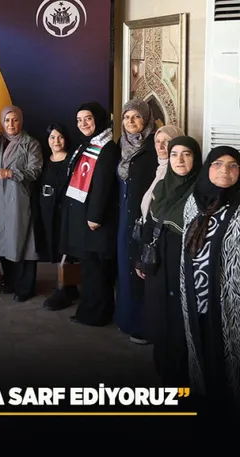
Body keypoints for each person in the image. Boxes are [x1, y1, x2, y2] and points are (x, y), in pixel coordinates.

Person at [137, 136, 201, 386]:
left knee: (180, 319)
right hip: (158, 261)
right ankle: (163, 369)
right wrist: (142, 259)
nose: (179, 160)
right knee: (159, 312)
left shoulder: (201, 191)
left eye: (186, 154)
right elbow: (150, 223)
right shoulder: (162, 186)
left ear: (196, 158)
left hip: (184, 263)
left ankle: (182, 377)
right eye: (174, 154)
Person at [180, 145, 240, 415]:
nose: (225, 170)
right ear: (207, 168)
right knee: (201, 344)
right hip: (196, 293)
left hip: (229, 298)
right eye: (218, 164)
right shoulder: (194, 202)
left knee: (228, 350)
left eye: (233, 165)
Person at [64, 102, 120, 327]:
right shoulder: (88, 144)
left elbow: (103, 185)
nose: (83, 124)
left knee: (98, 271)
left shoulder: (107, 148)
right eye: (79, 120)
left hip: (97, 222)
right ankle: (89, 312)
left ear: (98, 119)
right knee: (89, 270)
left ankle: (97, 315)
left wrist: (95, 216)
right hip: (85, 218)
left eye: (88, 118)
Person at [115, 99, 158, 345]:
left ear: (146, 118)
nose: (130, 121)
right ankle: (125, 319)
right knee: (125, 266)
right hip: (124, 214)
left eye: (136, 117)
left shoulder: (155, 146)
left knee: (142, 269)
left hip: (144, 217)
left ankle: (143, 325)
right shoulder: (120, 144)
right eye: (126, 117)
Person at [0, 105, 43, 302]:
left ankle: (25, 287)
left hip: (19, 198)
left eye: (15, 120)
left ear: (21, 121)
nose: (11, 124)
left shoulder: (31, 143)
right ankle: (10, 281)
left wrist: (12, 173)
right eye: (7, 120)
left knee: (24, 241)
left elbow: (35, 171)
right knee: (5, 241)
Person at [35, 123, 80, 310]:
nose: (56, 141)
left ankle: (65, 290)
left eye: (60, 137)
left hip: (67, 214)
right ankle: (68, 286)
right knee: (55, 249)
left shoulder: (73, 161)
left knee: (66, 251)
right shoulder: (45, 161)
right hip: (48, 214)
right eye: (52, 137)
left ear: (66, 139)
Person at [139, 125, 185, 223]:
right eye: (158, 141)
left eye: (166, 141)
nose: (160, 146)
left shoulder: (179, 172)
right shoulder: (160, 169)